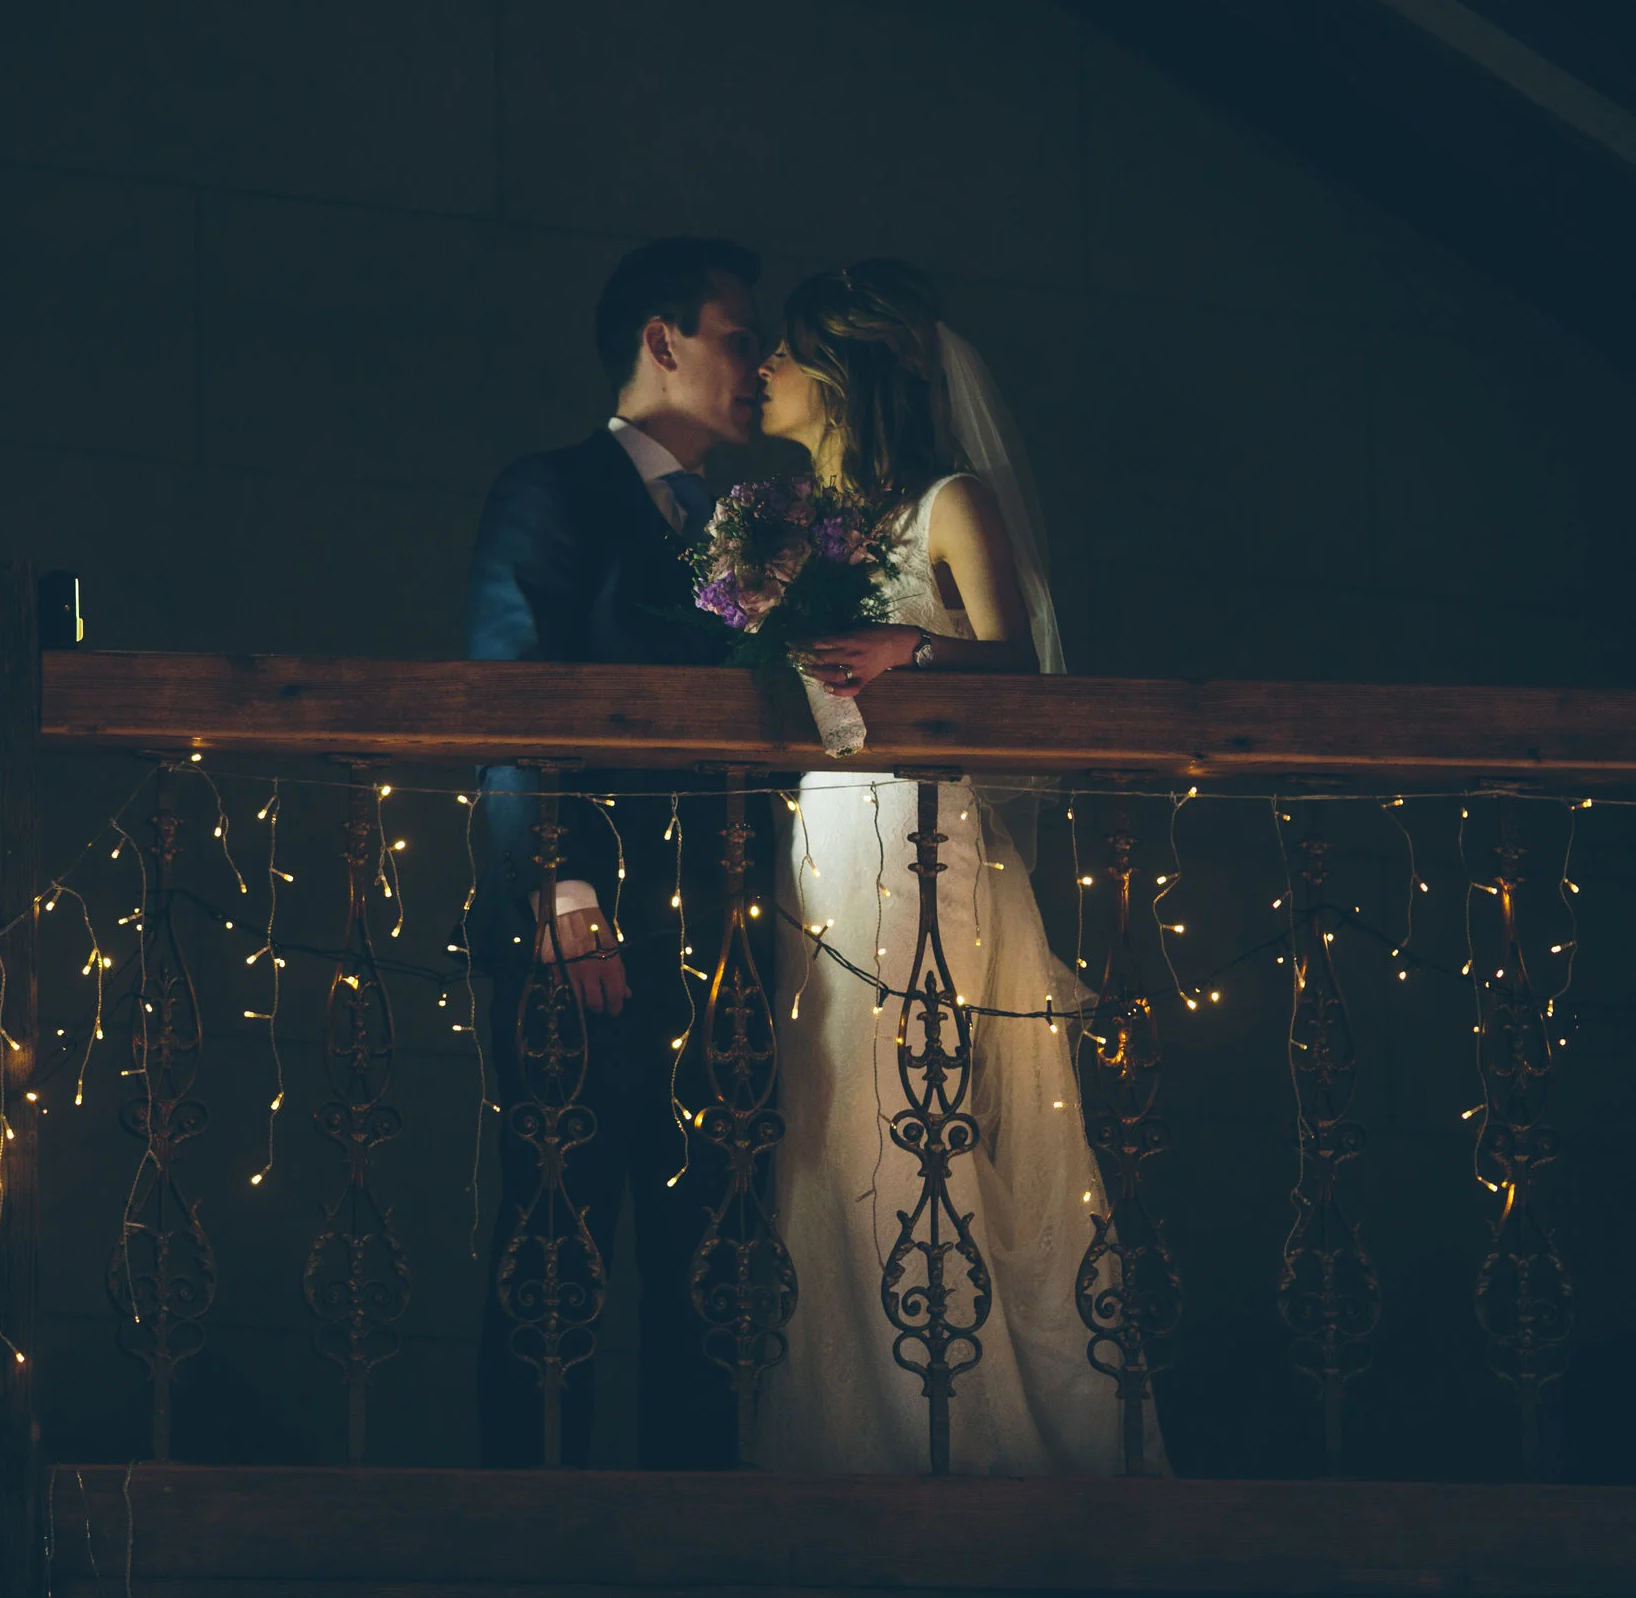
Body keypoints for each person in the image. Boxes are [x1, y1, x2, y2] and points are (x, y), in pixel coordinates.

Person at [753, 260, 1164, 1475]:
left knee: (910, 1111)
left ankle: (960, 1444)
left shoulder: (949, 498)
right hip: (822, 827)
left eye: (785, 353)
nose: (765, 372)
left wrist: (914, 650)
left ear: (839, 374)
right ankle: (839, 1433)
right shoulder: (801, 517)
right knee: (825, 1118)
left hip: (920, 831)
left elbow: (1024, 673)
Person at [465, 236, 767, 1468]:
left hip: (725, 935)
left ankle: (693, 1536)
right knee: (556, 1234)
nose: (758, 364)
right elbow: (507, 678)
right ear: (662, 339)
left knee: (710, 1250)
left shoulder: (754, 524)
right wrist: (560, 885)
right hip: (578, 929)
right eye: (738, 336)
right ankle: (527, 1530)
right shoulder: (551, 488)